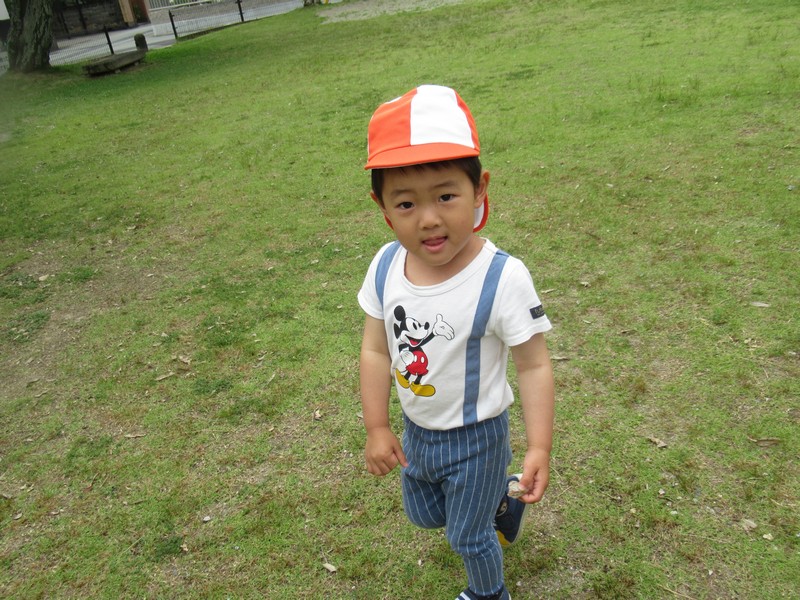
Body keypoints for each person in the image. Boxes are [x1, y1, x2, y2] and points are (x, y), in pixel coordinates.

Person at [357, 85, 555, 600]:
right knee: (424, 515)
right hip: (417, 431)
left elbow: (533, 365)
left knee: (467, 537)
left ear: (479, 189)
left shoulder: (502, 277)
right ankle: (501, 503)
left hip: (478, 439)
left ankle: (489, 592)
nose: (428, 218)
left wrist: (538, 446)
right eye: (406, 202)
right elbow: (376, 349)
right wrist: (377, 426)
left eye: (446, 196)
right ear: (383, 207)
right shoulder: (385, 266)